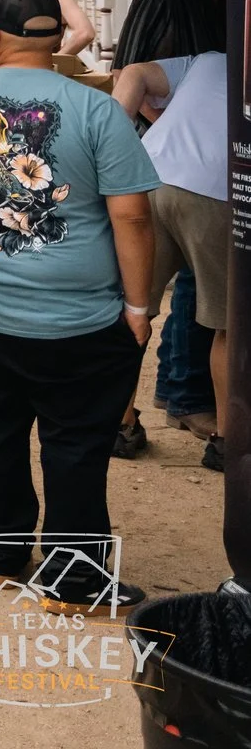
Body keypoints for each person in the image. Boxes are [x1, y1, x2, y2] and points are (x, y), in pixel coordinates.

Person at [0, 0, 158, 615]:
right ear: (54, 40)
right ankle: (74, 581)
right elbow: (131, 217)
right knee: (74, 439)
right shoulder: (95, 108)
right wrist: (138, 305)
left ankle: (4, 555)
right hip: (78, 313)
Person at [112, 46, 231, 470]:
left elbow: (134, 73)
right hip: (217, 189)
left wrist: (114, 138)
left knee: (133, 307)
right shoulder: (213, 61)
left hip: (150, 176)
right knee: (229, 324)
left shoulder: (208, 61)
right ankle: (225, 440)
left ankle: (119, 424)